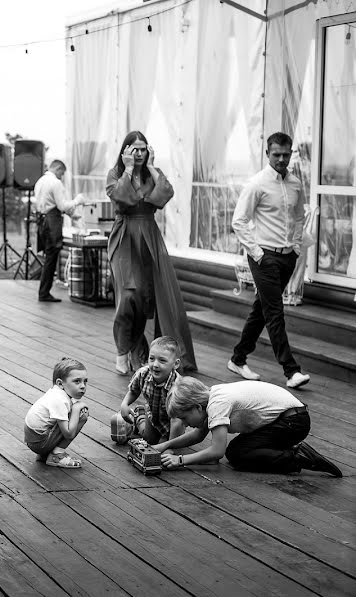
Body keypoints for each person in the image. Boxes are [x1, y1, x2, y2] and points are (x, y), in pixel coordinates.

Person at [106, 131, 197, 374]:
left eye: (142, 149)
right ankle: (121, 351)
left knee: (146, 299)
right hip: (124, 236)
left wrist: (153, 166)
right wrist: (127, 170)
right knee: (128, 296)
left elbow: (164, 194)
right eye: (133, 149)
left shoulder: (150, 174)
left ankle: (140, 351)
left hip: (148, 236)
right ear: (125, 150)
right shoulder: (116, 173)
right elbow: (120, 198)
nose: (138, 154)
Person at [228, 132, 310, 389]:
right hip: (264, 256)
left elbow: (299, 217)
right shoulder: (256, 184)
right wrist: (258, 253)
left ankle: (238, 358)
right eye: (276, 155)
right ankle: (291, 370)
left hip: (287, 257)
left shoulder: (296, 184)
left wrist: (296, 247)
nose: (282, 159)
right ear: (267, 154)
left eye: (286, 154)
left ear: (290, 153)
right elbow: (238, 221)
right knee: (274, 312)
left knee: (261, 310)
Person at [156, 376, 341, 477]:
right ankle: (291, 450)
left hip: (293, 422)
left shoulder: (217, 404)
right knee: (237, 452)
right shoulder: (212, 397)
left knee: (237, 454)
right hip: (288, 418)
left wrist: (180, 460)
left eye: (185, 418)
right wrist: (165, 446)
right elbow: (198, 435)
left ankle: (297, 457)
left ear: (197, 407)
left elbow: (217, 451)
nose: (185, 424)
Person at [112, 336, 185, 446]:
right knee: (149, 440)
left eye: (162, 360)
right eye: (151, 359)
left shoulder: (179, 386)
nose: (155, 364)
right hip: (153, 416)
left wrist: (171, 447)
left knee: (165, 444)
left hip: (173, 422)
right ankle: (139, 417)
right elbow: (134, 390)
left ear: (175, 364)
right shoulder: (143, 373)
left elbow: (177, 420)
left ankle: (166, 439)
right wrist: (125, 404)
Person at [34, 159, 89, 303]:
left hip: (42, 221)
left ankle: (44, 291)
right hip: (52, 223)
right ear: (58, 169)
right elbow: (62, 206)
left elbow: (50, 204)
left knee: (48, 256)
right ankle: (44, 292)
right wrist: (78, 200)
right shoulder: (56, 183)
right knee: (51, 258)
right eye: (62, 173)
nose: (62, 176)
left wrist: (72, 215)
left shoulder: (40, 181)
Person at [24, 357, 90, 468]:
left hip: (36, 440)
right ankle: (57, 455)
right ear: (60, 383)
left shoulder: (57, 393)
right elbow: (68, 434)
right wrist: (77, 408)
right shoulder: (60, 400)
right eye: (77, 381)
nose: (83, 386)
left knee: (72, 413)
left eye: (85, 381)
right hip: (40, 443)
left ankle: (46, 454)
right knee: (82, 414)